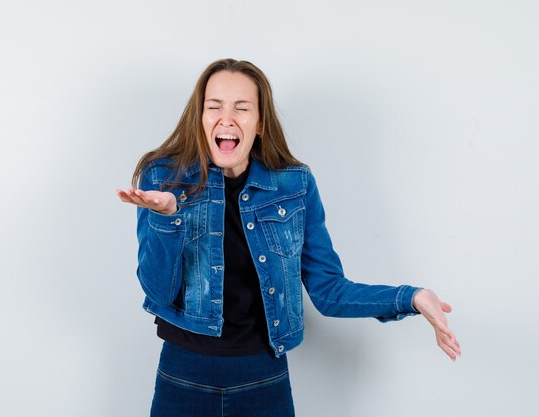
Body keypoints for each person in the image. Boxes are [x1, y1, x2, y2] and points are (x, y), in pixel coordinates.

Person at [116, 58, 461, 417]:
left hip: (264, 381)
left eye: (242, 108)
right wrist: (167, 220)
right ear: (200, 117)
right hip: (183, 378)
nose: (226, 118)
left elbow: (329, 291)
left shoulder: (295, 185)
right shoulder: (163, 178)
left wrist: (412, 298)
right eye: (214, 107)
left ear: (260, 122)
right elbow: (157, 292)